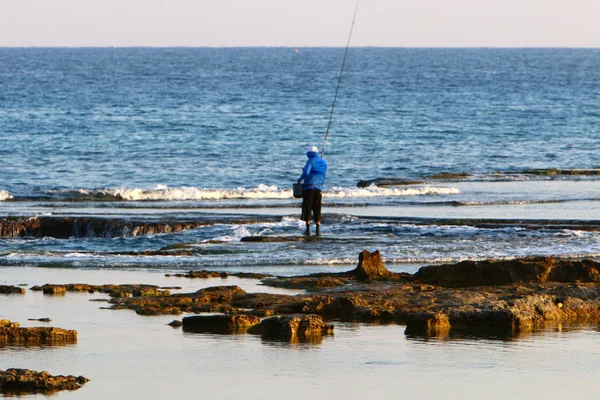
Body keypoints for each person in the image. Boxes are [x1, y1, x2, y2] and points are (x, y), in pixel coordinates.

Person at [297, 146, 328, 236]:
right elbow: (320, 173)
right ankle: (318, 229)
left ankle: (308, 230)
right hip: (319, 188)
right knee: (317, 208)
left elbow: (306, 173)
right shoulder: (323, 162)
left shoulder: (310, 161)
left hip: (309, 188)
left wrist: (299, 179)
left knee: (307, 208)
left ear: (310, 153)